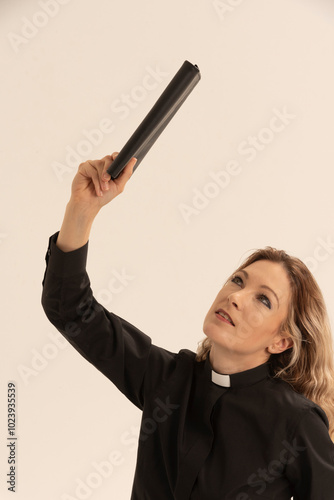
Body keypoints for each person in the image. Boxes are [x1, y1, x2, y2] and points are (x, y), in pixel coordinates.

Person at [41, 153, 334, 499]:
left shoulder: (296, 423)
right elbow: (71, 310)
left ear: (282, 341)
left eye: (264, 299)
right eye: (238, 280)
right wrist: (82, 209)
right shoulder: (167, 379)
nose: (236, 297)